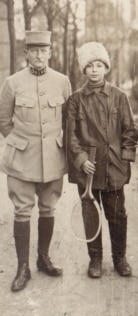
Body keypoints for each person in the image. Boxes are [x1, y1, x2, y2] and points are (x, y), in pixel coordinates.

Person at [0, 31, 71, 292]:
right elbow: (3, 120)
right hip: (21, 158)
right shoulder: (12, 82)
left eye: (44, 50)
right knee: (21, 210)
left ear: (50, 52)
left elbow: (67, 120)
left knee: (48, 208)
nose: (39, 55)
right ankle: (22, 267)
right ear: (26, 53)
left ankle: (43, 258)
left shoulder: (62, 82)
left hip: (52, 156)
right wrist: (19, 141)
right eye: (34, 51)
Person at [66, 41, 138, 278]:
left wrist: (125, 160)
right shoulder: (76, 100)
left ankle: (120, 258)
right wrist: (80, 159)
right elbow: (71, 135)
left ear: (106, 68)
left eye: (99, 65)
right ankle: (95, 259)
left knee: (117, 214)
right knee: (90, 214)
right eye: (89, 66)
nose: (94, 70)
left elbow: (129, 131)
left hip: (114, 168)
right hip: (88, 169)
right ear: (83, 70)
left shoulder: (119, 97)